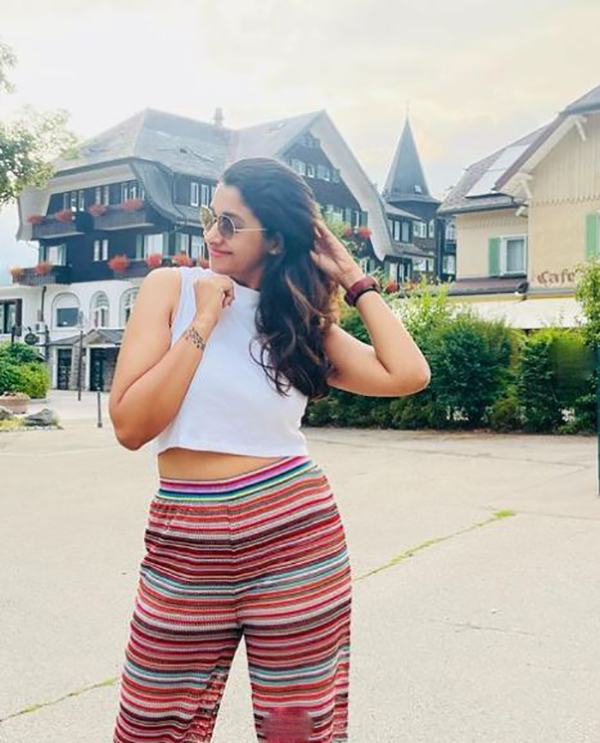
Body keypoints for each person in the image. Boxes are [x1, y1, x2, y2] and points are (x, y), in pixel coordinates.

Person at [109, 156, 431, 742]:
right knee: (150, 724)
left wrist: (353, 278)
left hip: (293, 532)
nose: (213, 235)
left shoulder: (299, 324)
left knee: (297, 728)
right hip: (186, 537)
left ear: (276, 239)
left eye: (232, 224)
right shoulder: (171, 289)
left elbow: (407, 374)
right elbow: (131, 425)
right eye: (211, 218)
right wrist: (204, 320)